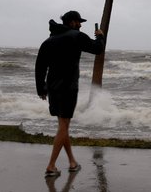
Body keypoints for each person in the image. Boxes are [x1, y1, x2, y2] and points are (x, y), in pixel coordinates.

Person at [35, 10, 105, 177]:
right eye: (79, 22)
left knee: (63, 127)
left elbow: (40, 67)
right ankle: (51, 166)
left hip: (52, 88)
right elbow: (97, 49)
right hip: (68, 88)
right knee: (64, 127)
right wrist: (100, 36)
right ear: (72, 22)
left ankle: (72, 162)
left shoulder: (48, 41)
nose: (80, 25)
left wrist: (41, 89)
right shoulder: (76, 36)